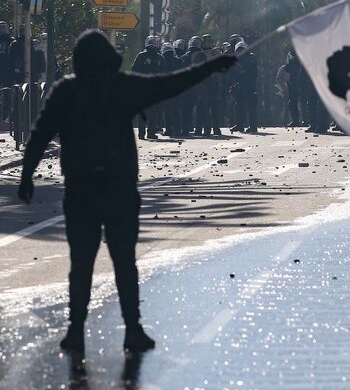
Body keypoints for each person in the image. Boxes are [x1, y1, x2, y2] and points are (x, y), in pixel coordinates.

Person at [17, 29, 235, 355]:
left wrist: (27, 177)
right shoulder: (123, 87)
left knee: (81, 264)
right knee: (124, 263)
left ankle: (76, 331)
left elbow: (39, 133)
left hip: (80, 191)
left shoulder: (66, 91)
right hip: (118, 190)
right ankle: (132, 330)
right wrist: (211, 66)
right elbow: (172, 83)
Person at [132, 36, 164, 139]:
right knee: (151, 112)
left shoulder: (158, 58)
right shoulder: (144, 56)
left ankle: (145, 133)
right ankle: (146, 133)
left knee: (148, 111)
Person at [231, 39, 259, 134]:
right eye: (239, 49)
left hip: (249, 85)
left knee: (251, 106)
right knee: (239, 106)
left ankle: (253, 126)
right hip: (240, 85)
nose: (240, 51)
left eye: (242, 49)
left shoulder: (251, 57)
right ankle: (239, 125)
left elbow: (249, 70)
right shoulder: (237, 58)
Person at [161, 42, 182, 136]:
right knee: (176, 109)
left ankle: (169, 129)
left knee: (167, 110)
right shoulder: (178, 60)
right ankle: (178, 129)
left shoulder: (162, 60)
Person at [281, 51, 304, 127]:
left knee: (295, 103)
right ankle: (296, 121)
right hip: (295, 85)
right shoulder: (298, 61)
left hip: (295, 85)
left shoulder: (295, 62)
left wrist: (289, 60)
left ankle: (297, 121)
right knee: (293, 103)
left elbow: (288, 69)